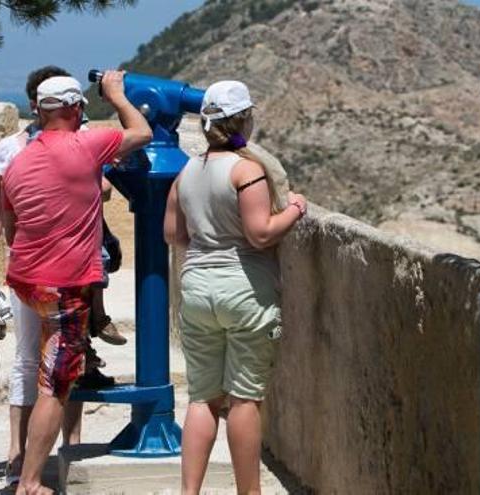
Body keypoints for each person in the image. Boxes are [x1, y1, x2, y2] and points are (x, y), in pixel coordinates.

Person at [2, 71, 152, 495]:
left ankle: (26, 468)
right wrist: (116, 95)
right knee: (55, 385)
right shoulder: (86, 144)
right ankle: (30, 483)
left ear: (37, 109)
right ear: (74, 109)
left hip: (27, 280)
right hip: (64, 286)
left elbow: (12, 230)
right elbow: (139, 131)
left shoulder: (18, 162)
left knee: (46, 368)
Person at [0, 65, 115, 486]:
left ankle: (69, 446)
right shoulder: (11, 149)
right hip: (46, 275)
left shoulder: (64, 146)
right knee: (33, 364)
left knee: (66, 363)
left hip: (48, 273)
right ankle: (21, 460)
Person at [163, 81, 306, 495]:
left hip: (197, 291)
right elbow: (261, 234)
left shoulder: (187, 171)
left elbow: (173, 232)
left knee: (202, 397)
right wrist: (296, 208)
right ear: (244, 119)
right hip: (245, 291)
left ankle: (189, 491)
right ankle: (249, 492)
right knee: (245, 398)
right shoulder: (247, 171)